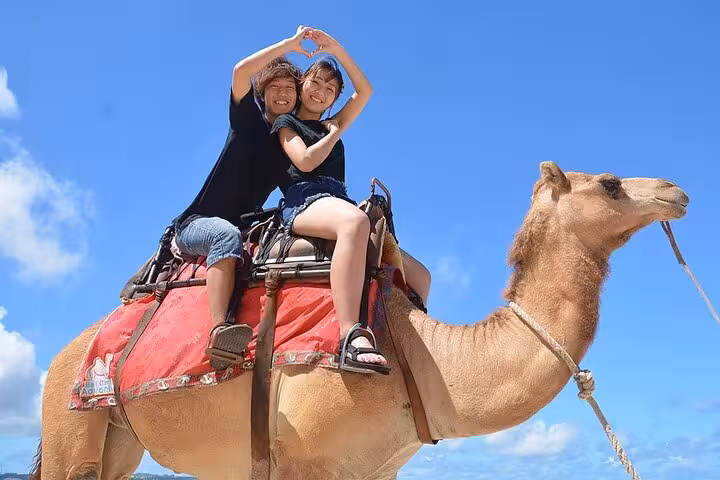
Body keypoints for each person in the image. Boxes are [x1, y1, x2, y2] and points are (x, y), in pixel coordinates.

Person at [272, 29, 431, 374]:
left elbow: (366, 91)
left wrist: (335, 49)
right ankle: (350, 335)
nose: (321, 91)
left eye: (330, 89)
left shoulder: (333, 123)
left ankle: (406, 346)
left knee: (421, 276)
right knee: (354, 222)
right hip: (303, 199)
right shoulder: (287, 122)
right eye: (316, 82)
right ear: (302, 83)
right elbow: (305, 163)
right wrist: (334, 132)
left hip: (336, 198)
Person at [172, 27, 313, 369]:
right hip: (197, 225)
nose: (282, 94)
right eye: (275, 88)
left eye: (289, 90)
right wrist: (290, 46)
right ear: (263, 94)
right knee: (225, 234)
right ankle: (220, 328)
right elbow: (239, 72)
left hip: (245, 221)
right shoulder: (247, 120)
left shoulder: (286, 148)